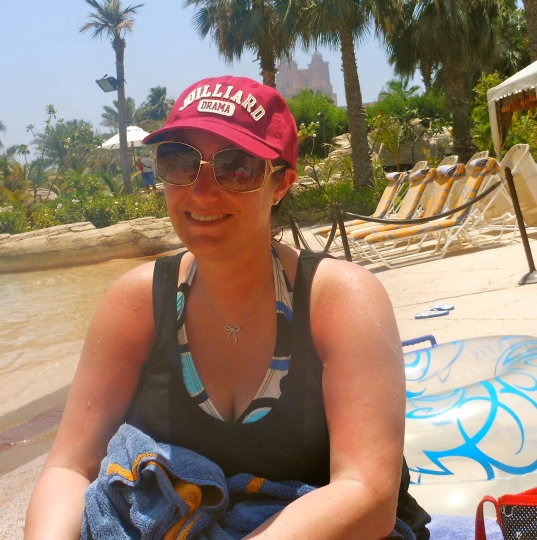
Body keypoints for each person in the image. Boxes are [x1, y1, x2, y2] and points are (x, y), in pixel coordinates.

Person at [25, 76, 430, 539]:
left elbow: (368, 494)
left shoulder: (339, 300)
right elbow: (70, 466)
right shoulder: (136, 304)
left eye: (236, 167)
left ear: (281, 185)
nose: (201, 191)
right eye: (179, 162)